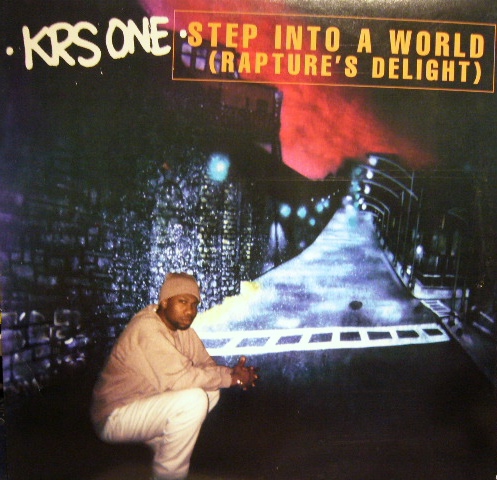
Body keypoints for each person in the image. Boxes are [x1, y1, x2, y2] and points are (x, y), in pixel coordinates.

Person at [91, 272, 259, 480]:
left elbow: (206, 366)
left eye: (194, 304)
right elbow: (181, 379)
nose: (190, 311)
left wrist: (233, 374)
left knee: (210, 393)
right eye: (183, 302)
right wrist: (230, 379)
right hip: (114, 415)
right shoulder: (147, 328)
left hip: (144, 402)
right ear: (165, 301)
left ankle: (165, 449)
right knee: (194, 400)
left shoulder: (182, 331)